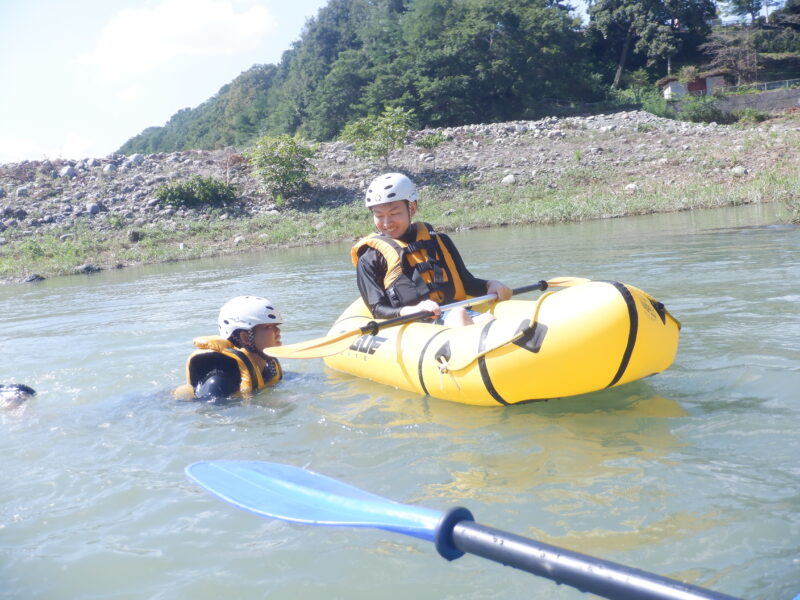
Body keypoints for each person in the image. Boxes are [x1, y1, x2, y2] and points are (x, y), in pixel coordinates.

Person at [352, 172, 512, 326]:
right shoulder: (370, 257)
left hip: (455, 314)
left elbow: (466, 283)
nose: (387, 223)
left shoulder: (439, 240)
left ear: (412, 208)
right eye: (379, 215)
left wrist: (490, 285)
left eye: (395, 213)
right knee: (459, 315)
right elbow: (377, 309)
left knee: (488, 318)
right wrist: (412, 310)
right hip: (416, 325)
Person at [174, 296, 283, 400]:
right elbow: (208, 411)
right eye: (268, 327)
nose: (278, 331)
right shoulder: (219, 381)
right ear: (245, 338)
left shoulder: (268, 368)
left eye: (276, 326)